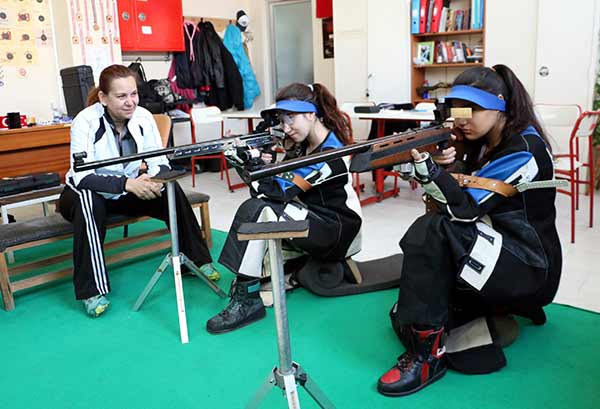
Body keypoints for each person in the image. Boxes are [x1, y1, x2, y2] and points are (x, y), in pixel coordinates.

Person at [377, 65, 562, 396]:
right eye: (457, 110)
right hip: (502, 250)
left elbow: (465, 209)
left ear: (500, 105)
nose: (462, 120)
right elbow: (467, 187)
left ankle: (426, 357)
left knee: (434, 230)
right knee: (408, 307)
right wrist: (448, 164)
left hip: (529, 265)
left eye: (472, 109)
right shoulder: (486, 140)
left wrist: (431, 171)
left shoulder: (524, 149)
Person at [58, 64, 219, 318]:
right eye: (121, 96)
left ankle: (196, 261)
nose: (130, 102)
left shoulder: (143, 116)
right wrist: (127, 184)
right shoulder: (85, 121)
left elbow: (158, 161)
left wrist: (155, 181)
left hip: (126, 188)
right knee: (89, 200)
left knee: (171, 190)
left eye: (133, 94)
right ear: (103, 97)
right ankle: (91, 290)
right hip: (84, 193)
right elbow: (82, 176)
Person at [206, 82, 363, 334]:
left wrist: (253, 165)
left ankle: (247, 299)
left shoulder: (329, 155)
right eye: (282, 120)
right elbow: (276, 185)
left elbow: (279, 192)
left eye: (292, 119)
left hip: (336, 230)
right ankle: (249, 288)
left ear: (310, 114)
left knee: (259, 209)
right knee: (260, 206)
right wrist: (261, 163)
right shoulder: (303, 147)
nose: (286, 128)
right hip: (313, 218)